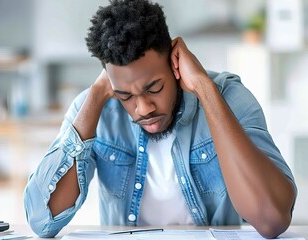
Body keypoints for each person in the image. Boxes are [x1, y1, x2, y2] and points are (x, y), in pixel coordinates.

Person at [24, 0, 297, 238]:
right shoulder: (97, 109)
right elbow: (41, 221)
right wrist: (95, 96)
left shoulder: (228, 95)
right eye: (125, 96)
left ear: (174, 63)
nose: (142, 108)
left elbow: (271, 220)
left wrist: (203, 87)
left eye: (154, 88)